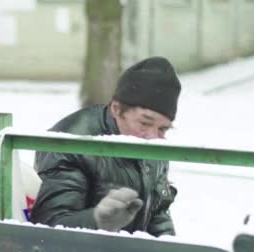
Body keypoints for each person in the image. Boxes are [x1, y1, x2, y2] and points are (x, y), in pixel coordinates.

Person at [29, 56, 181, 236]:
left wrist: (169, 249)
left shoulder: (154, 144)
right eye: (144, 123)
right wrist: (97, 220)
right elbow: (49, 225)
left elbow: (158, 214)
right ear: (116, 109)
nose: (153, 136)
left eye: (163, 129)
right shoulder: (71, 142)